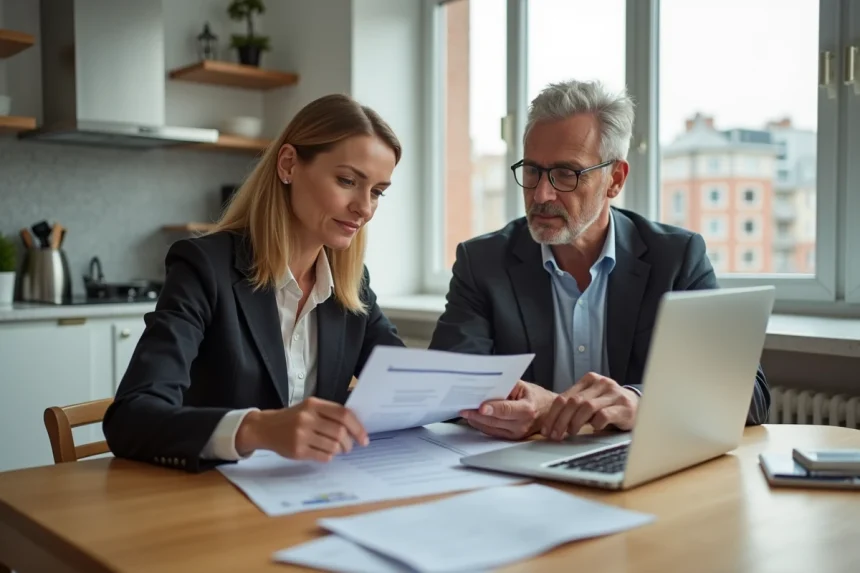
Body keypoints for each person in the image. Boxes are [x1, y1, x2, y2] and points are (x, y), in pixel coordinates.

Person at [429, 79, 770, 442]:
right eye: (532, 171)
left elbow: (751, 396)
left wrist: (638, 403)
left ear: (615, 179)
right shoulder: (483, 263)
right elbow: (445, 390)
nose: (541, 194)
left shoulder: (676, 258)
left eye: (566, 174)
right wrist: (510, 412)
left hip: (634, 463)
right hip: (520, 464)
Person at [103, 94, 405, 472]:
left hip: (313, 490)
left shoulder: (351, 285)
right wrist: (257, 429)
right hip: (212, 494)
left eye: (377, 192)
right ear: (288, 164)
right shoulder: (204, 267)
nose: (365, 208)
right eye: (347, 181)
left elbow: (408, 384)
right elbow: (130, 418)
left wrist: (475, 401)